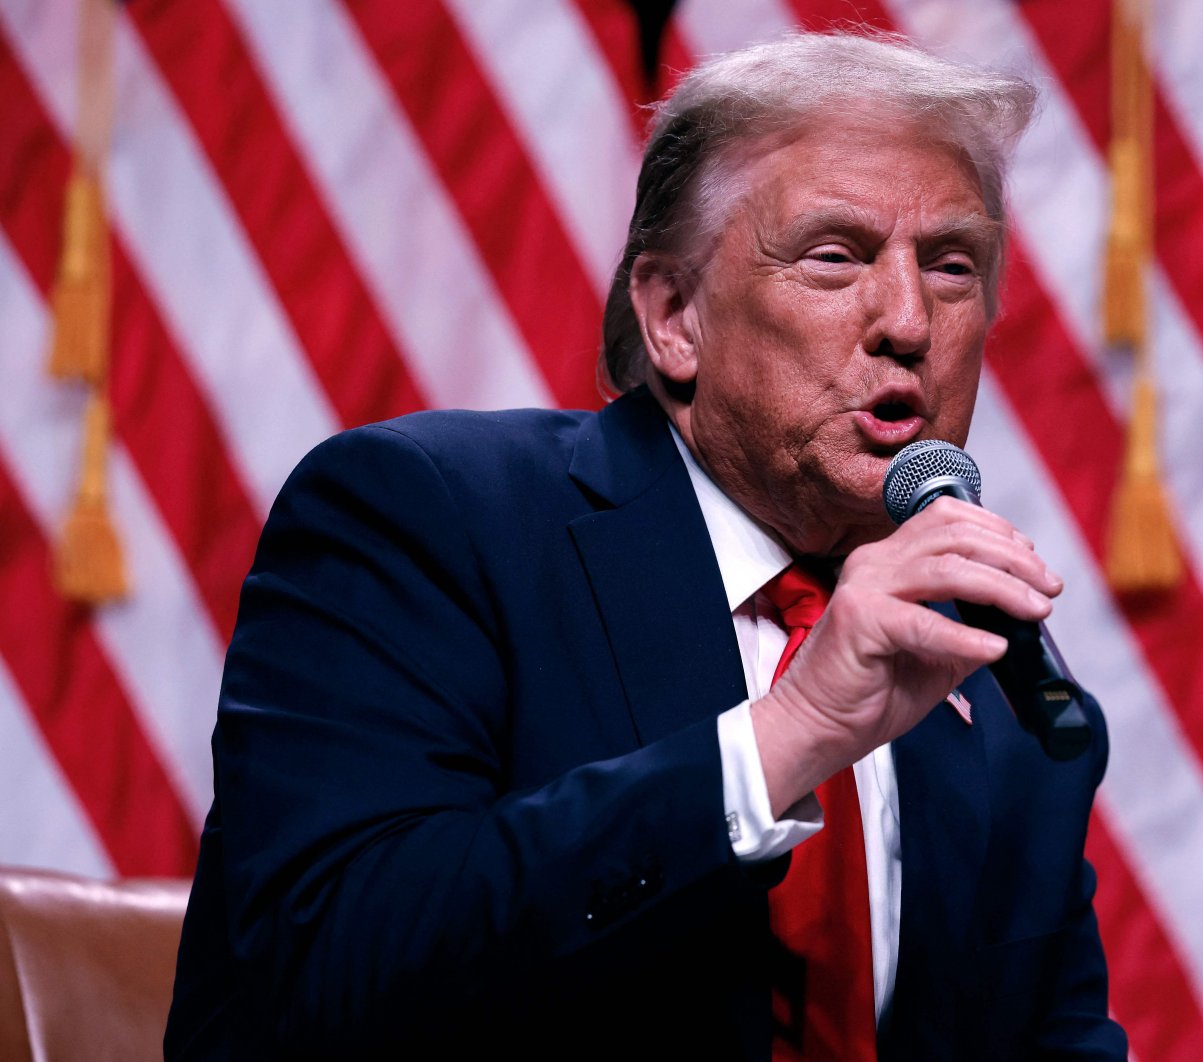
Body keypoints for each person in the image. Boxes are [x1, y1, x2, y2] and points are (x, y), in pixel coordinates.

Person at [166, 32, 1127, 1061]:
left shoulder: (999, 691)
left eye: (952, 266)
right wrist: (784, 737)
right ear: (673, 315)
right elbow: (326, 975)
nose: (906, 320)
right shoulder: (433, 518)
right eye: (835, 256)